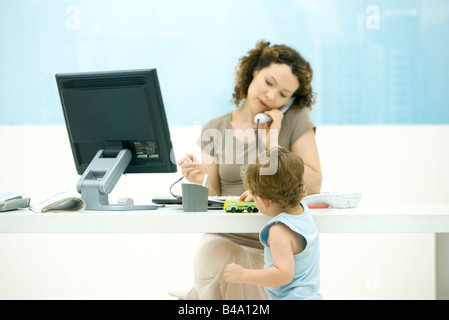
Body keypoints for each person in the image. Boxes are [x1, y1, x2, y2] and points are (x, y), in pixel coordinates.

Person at [178, 40, 322, 300]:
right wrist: (201, 179)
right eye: (269, 82)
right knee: (219, 253)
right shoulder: (215, 128)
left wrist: (274, 145)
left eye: (283, 94)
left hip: (273, 244)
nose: (271, 97)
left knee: (237, 268)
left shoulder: (294, 121)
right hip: (225, 235)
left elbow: (313, 186)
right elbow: (212, 194)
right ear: (254, 71)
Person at [224, 146, 321, 300]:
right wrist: (258, 192)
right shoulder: (303, 210)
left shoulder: (279, 231)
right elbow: (284, 185)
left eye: (256, 198)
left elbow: (282, 274)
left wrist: (242, 274)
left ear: (262, 201)